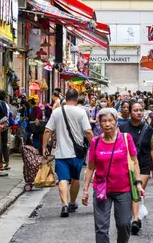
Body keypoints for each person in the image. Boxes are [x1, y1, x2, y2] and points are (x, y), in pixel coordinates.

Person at [82, 108, 145, 241]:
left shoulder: (126, 138)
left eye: (110, 120)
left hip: (124, 189)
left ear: (116, 121)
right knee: (101, 227)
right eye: (103, 121)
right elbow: (90, 167)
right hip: (101, 188)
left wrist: (138, 183)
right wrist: (85, 189)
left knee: (124, 224)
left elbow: (135, 162)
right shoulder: (95, 142)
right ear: (99, 123)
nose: (107, 124)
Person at [43, 89, 94, 217]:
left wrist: (44, 147)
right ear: (77, 99)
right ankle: (72, 202)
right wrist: (95, 145)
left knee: (63, 179)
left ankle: (64, 205)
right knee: (75, 178)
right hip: (77, 153)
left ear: (65, 97)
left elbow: (47, 131)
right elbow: (88, 132)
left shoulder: (57, 112)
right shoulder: (81, 112)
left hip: (61, 153)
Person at [119, 102, 153, 189]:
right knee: (127, 195)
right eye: (135, 110)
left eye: (141, 110)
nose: (139, 113)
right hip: (126, 166)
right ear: (130, 113)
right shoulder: (122, 128)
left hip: (144, 165)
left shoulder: (149, 130)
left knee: (136, 195)